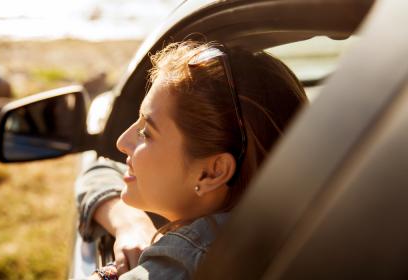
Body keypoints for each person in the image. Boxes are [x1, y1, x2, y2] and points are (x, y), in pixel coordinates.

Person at [77, 40, 307, 279]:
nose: (122, 142)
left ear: (212, 172)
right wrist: (130, 224)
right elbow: (102, 170)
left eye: (147, 132)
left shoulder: (186, 263)